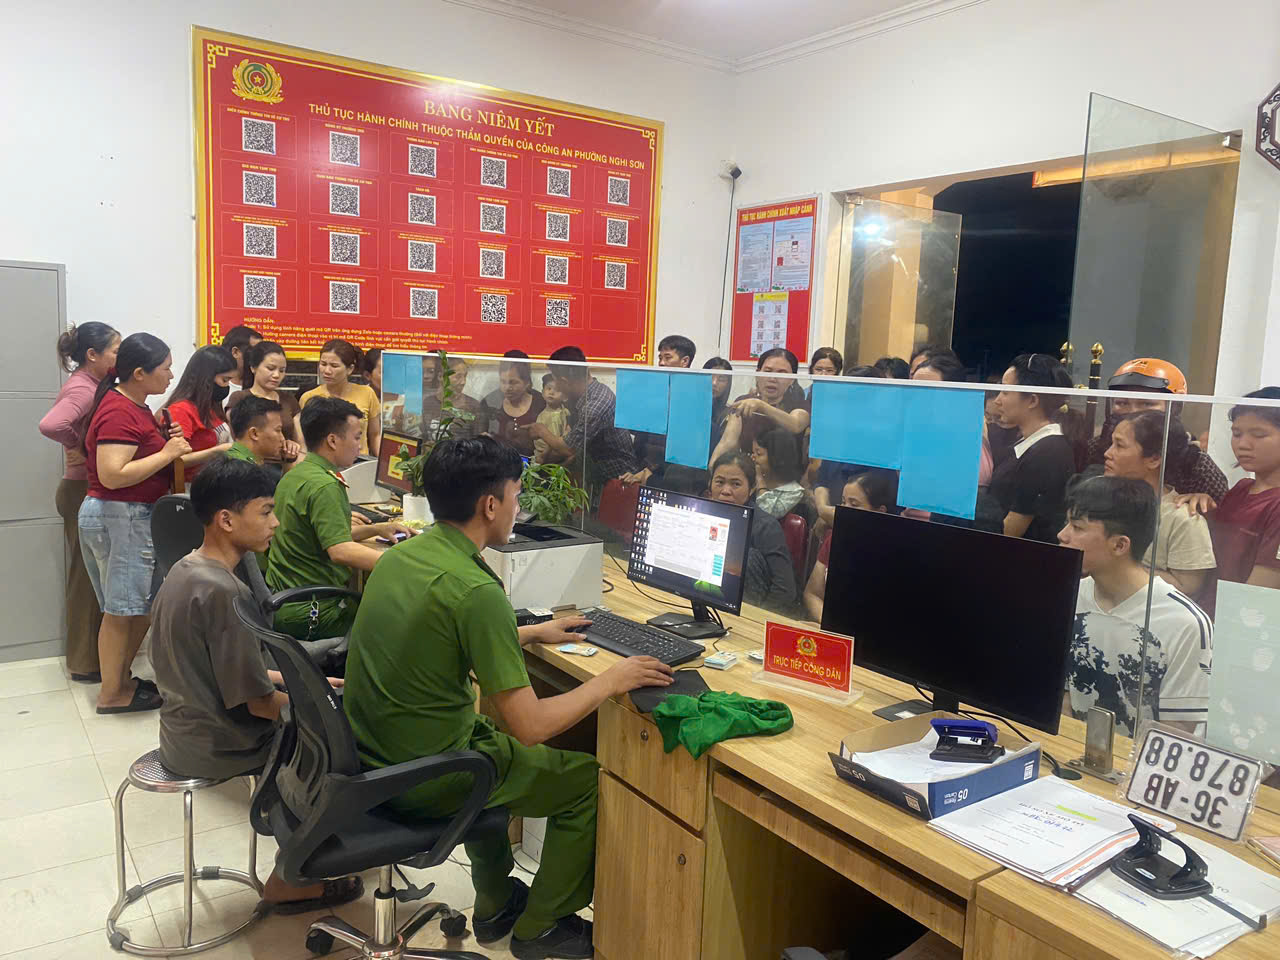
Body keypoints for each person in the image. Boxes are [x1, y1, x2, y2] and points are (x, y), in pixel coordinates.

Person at [343, 436, 673, 958]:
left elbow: (438, 634)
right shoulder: (477, 591)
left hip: (377, 756)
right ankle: (541, 926)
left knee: (490, 742)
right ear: (490, 505)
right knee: (584, 780)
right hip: (430, 776)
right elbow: (532, 726)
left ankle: (496, 902)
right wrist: (612, 679)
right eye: (517, 495)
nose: (519, 507)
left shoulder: (403, 557)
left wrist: (530, 633)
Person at [149, 457, 363, 914]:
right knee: (342, 746)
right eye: (266, 511)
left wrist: (310, 680)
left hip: (181, 731)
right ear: (227, 520)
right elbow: (259, 704)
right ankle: (292, 877)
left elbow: (223, 671)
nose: (276, 522)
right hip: (218, 743)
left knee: (327, 704)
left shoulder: (187, 569)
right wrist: (330, 705)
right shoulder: (226, 592)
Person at [79, 333, 191, 713]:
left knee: (135, 607)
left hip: (129, 515)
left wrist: (170, 447)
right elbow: (112, 475)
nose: (171, 375)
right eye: (165, 369)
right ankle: (112, 694)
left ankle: (120, 681)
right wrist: (169, 452)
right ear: (140, 373)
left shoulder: (136, 407)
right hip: (121, 515)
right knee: (121, 611)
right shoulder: (119, 410)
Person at [1058, 475, 1212, 737]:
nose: (1062, 535)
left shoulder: (1185, 623)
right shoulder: (1068, 595)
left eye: (1077, 527)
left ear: (1120, 545)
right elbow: (1064, 700)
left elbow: (1177, 731)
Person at [266, 396, 411, 641]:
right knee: (404, 623)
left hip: (288, 601)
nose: (360, 447)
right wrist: (406, 564)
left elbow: (323, 535)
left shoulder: (297, 475)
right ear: (332, 440)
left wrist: (376, 528)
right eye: (357, 437)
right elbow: (340, 551)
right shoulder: (324, 486)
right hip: (314, 612)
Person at [40, 321, 119, 683]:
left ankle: (95, 658)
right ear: (92, 355)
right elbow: (51, 425)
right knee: (88, 578)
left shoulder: (94, 386)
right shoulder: (83, 389)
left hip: (83, 489)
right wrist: (81, 446)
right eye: (115, 351)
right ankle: (85, 663)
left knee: (93, 575)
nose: (119, 357)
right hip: (79, 490)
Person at [1103, 411, 1216, 602]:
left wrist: (1115, 567)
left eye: (1119, 445)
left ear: (1154, 459)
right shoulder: (1104, 501)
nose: (1108, 453)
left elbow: (1187, 587)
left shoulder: (1182, 518)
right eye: (1111, 443)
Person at [1085, 358, 1226, 510]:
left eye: (1147, 404)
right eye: (1122, 403)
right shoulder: (1096, 448)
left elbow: (1222, 516)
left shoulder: (1196, 464)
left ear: (1175, 407)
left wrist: (1206, 504)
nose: (1133, 412)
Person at [989, 353, 1082, 542]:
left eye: (1005, 392)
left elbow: (1011, 529)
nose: (997, 400)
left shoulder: (1047, 453)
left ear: (1032, 400)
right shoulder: (1029, 443)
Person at [523, 346, 640, 486]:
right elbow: (572, 438)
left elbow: (569, 448)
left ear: (565, 381)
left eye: (555, 380)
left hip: (618, 479)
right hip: (592, 471)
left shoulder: (595, 404)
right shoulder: (582, 396)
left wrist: (540, 430)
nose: (555, 387)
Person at [708, 451, 799, 613]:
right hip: (707, 599)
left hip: (749, 611)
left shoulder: (765, 526)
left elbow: (784, 590)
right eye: (719, 482)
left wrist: (754, 619)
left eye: (736, 484)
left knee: (748, 558)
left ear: (751, 489)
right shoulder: (701, 515)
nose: (726, 491)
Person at [803, 469, 899, 623]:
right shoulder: (835, 538)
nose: (843, 509)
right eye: (843, 502)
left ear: (880, 512)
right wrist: (829, 623)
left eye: (854, 504)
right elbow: (812, 594)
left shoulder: (893, 553)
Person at [1210, 388, 1280, 588]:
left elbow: (1258, 591)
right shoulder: (1241, 488)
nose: (1243, 444)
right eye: (1236, 434)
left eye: (1258, 435)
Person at [623, 337, 698, 485]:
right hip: (644, 469)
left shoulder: (694, 397)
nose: (661, 363)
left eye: (668, 358)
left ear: (685, 361)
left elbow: (685, 449)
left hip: (676, 476)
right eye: (660, 358)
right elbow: (640, 435)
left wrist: (649, 471)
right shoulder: (655, 392)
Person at [714, 348, 809, 465]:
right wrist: (713, 467)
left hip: (785, 473)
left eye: (781, 373)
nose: (772, 379)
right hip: (749, 471)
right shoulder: (744, 401)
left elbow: (795, 425)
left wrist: (761, 406)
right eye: (767, 371)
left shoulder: (801, 404)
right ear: (757, 374)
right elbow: (728, 442)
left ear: (792, 380)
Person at [161, 344, 237, 479]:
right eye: (224, 380)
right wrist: (215, 452)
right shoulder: (181, 410)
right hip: (191, 485)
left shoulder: (211, 406)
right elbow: (176, 461)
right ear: (206, 378)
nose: (227, 386)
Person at [226, 340, 303, 472]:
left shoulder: (289, 400)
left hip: (287, 466)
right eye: (270, 368)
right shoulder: (239, 398)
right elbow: (237, 441)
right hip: (249, 466)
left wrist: (293, 448)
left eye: (282, 370)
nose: (276, 375)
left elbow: (301, 443)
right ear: (253, 367)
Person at [299, 339, 380, 457]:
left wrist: (383, 463)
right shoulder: (308, 397)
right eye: (323, 364)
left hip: (359, 460)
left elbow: (375, 434)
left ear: (350, 369)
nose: (327, 371)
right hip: (323, 462)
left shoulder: (367, 393)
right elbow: (303, 439)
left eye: (334, 366)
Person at [492, 358, 545, 459]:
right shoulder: (492, 402)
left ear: (527, 382)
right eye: (503, 382)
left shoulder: (541, 403)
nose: (507, 388)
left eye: (513, 382)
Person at [752, 428, 807, 519]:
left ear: (777, 457)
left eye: (758, 454)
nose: (753, 457)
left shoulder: (795, 492)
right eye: (752, 452)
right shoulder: (751, 481)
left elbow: (766, 514)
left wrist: (760, 480)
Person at [226, 394, 287, 466]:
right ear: (254, 433)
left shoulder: (240, 461)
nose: (283, 439)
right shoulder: (239, 468)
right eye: (278, 430)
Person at [533, 373, 570, 464]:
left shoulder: (558, 415)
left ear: (565, 397)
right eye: (549, 388)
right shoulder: (542, 414)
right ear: (542, 393)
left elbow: (553, 441)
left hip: (549, 455)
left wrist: (543, 456)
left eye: (557, 390)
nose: (551, 392)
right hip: (541, 452)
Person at [220, 324, 262, 391]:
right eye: (254, 351)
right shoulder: (214, 387)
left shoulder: (264, 386)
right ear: (235, 352)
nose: (260, 356)